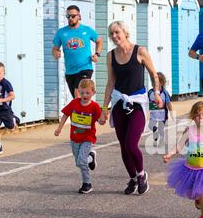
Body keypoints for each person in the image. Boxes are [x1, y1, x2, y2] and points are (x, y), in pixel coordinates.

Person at [98, 21, 162, 195]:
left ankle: (142, 175)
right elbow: (110, 83)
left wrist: (156, 92)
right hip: (119, 103)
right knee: (123, 145)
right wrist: (105, 108)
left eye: (117, 32)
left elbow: (153, 74)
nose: (114, 36)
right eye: (111, 34)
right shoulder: (111, 55)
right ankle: (133, 178)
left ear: (125, 32)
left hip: (137, 103)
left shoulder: (140, 51)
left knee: (131, 143)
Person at [54, 79, 101, 194]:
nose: (84, 95)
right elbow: (65, 114)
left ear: (93, 93)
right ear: (78, 91)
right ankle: (91, 157)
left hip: (87, 138)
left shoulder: (94, 107)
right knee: (78, 162)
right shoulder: (74, 103)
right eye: (82, 92)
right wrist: (59, 128)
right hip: (75, 138)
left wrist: (104, 117)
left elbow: (100, 120)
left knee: (81, 161)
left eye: (87, 93)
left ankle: (87, 184)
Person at [52, 5, 103, 99]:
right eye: (68, 16)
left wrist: (97, 54)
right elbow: (55, 48)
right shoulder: (61, 32)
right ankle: (83, 113)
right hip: (70, 71)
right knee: (77, 100)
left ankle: (85, 112)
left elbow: (99, 41)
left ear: (79, 16)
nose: (70, 18)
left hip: (85, 68)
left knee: (78, 94)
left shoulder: (87, 30)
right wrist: (56, 53)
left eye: (73, 16)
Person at [148, 72, 174, 147]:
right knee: (151, 126)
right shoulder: (150, 92)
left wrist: (171, 112)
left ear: (162, 83)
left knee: (161, 129)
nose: (154, 83)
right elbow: (146, 103)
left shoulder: (164, 93)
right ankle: (156, 137)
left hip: (162, 115)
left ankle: (161, 140)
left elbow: (168, 103)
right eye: (153, 81)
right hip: (153, 115)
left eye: (157, 82)